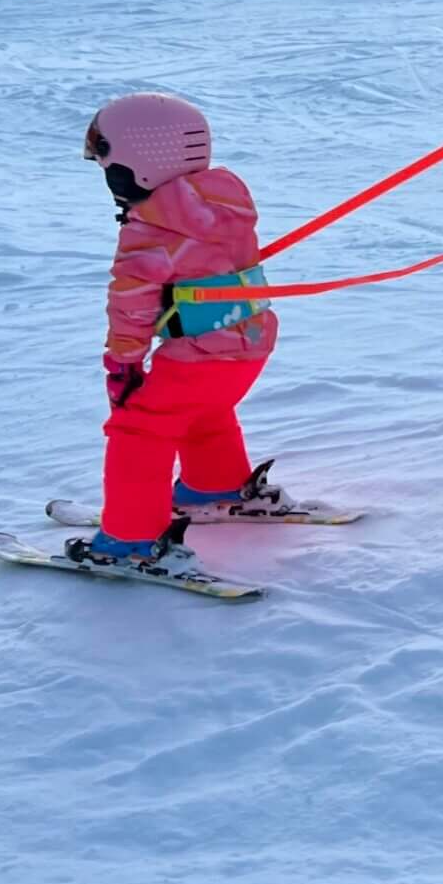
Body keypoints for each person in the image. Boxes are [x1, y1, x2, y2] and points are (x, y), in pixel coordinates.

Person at [75, 92, 282, 570]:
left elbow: (131, 301)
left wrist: (123, 360)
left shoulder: (150, 227)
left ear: (139, 162)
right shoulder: (225, 200)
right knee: (203, 410)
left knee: (138, 430)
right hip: (248, 344)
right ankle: (215, 484)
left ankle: (129, 538)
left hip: (200, 350)